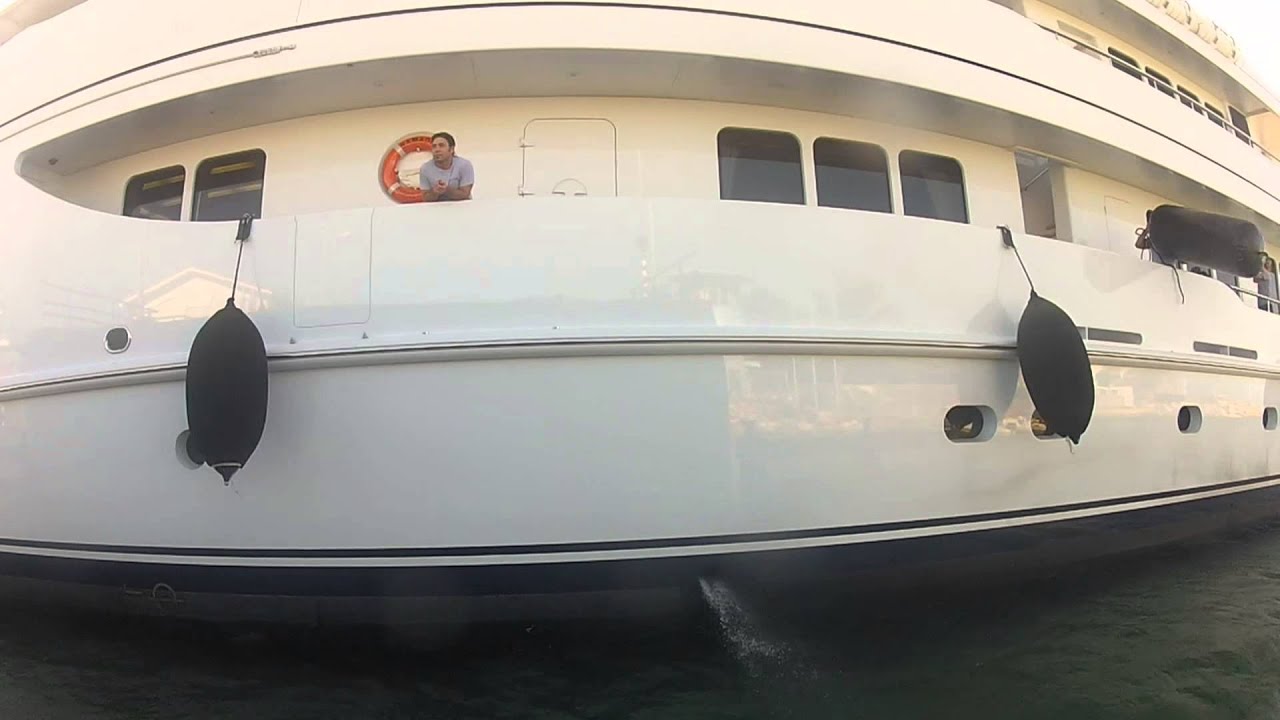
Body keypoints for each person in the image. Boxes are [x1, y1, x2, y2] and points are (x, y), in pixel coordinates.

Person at [418, 132, 474, 202]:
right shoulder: (425, 169)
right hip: (436, 207)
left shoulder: (464, 165)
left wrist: (446, 190)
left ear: (451, 149)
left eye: (441, 146)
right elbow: (425, 198)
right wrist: (435, 192)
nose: (437, 150)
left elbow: (465, 194)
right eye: (434, 146)